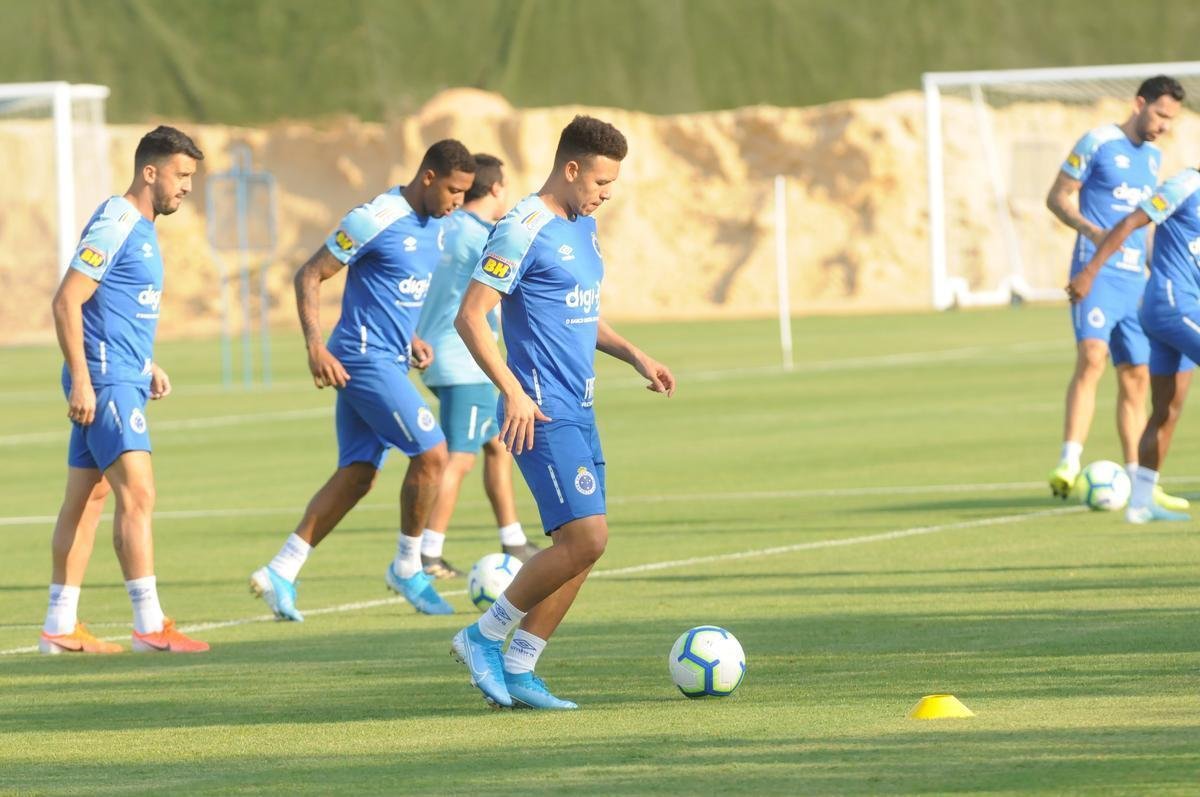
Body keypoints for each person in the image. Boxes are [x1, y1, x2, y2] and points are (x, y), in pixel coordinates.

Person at [450, 115, 676, 709]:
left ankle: (521, 667)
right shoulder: (521, 227)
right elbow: (471, 317)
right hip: (540, 410)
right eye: (601, 182)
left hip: (581, 405)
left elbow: (577, 310)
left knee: (587, 544)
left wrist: (633, 353)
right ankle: (484, 636)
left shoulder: (583, 228)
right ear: (570, 168)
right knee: (584, 537)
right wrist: (513, 390)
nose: (606, 194)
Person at [249, 140, 475, 621]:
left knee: (358, 475)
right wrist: (314, 346)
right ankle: (408, 565)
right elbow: (309, 275)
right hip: (360, 357)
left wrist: (411, 336)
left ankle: (281, 571)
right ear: (429, 177)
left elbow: (390, 292)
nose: (457, 203)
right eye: (454, 191)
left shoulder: (436, 226)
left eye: (465, 194)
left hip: (390, 358)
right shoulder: (375, 217)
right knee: (432, 452)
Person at [39, 126, 209, 654]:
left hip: (121, 374)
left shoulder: (142, 227)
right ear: (149, 171)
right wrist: (86, 382)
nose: (186, 188)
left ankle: (59, 627)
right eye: (180, 176)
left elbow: (110, 308)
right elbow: (68, 300)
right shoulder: (117, 221)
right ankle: (149, 625)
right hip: (105, 382)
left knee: (87, 501)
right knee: (139, 494)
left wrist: (147, 362)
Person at [1046, 75, 1188, 511]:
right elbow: (1057, 198)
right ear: (1139, 103)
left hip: (1135, 282)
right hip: (1097, 273)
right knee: (1092, 358)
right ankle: (1069, 463)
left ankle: (1138, 480)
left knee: (1137, 379)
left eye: (1171, 120)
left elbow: (1146, 228)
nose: (1164, 125)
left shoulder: (1153, 160)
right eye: (1160, 114)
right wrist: (1093, 234)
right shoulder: (1097, 142)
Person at [415, 154, 540, 579]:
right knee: (459, 458)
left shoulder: (444, 227)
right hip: (465, 361)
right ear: (497, 189)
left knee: (498, 446)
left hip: (442, 354)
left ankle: (513, 538)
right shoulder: (479, 235)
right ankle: (427, 553)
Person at [1068, 163, 1200, 524]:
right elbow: (1129, 223)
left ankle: (1140, 503)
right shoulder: (1186, 185)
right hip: (1172, 303)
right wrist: (1091, 271)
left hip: (1172, 311)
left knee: (1166, 409)